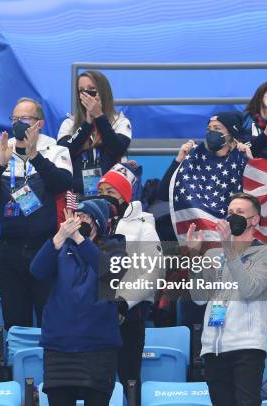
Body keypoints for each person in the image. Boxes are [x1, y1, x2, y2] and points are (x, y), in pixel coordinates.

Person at [0, 98, 73, 330]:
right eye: (15, 119)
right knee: (15, 321)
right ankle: (19, 364)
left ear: (39, 123)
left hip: (45, 247)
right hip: (8, 250)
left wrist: (35, 156)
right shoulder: (0, 151)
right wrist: (0, 164)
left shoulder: (56, 150)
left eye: (25, 119)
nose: (19, 123)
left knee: (48, 318)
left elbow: (63, 183)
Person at [187, 192, 267, 406]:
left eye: (240, 212)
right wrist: (193, 256)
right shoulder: (212, 255)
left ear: (254, 220)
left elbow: (249, 290)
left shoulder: (266, 253)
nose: (232, 217)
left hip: (246, 348)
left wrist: (229, 250)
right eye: (229, 212)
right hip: (213, 348)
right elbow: (199, 297)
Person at [30, 200, 125, 406]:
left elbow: (110, 273)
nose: (77, 221)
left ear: (97, 223)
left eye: (84, 217)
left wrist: (81, 241)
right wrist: (59, 237)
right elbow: (36, 271)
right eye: (75, 216)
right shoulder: (60, 247)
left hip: (98, 348)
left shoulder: (114, 247)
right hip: (59, 348)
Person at [96, 162, 162, 405]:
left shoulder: (144, 227)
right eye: (101, 191)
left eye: (111, 192)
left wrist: (124, 302)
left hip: (128, 316)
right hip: (95, 313)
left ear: (125, 196)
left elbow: (153, 272)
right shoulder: (92, 224)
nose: (104, 197)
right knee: (97, 382)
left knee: (129, 378)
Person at [57, 70, 132, 198]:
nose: (86, 94)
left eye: (91, 89)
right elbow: (65, 152)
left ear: (103, 92)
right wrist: (87, 123)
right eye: (81, 90)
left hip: (110, 195)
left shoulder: (120, 121)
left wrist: (99, 116)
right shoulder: (69, 123)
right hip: (77, 198)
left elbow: (118, 149)